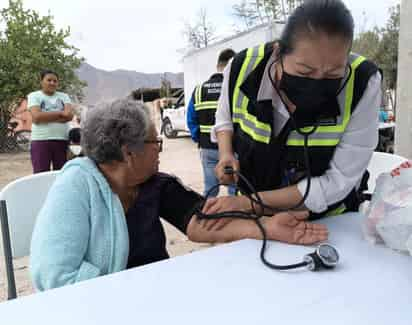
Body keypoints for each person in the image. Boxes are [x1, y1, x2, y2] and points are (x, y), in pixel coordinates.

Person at [30, 99, 328, 291]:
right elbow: (53, 275)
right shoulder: (77, 186)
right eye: (154, 142)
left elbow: (203, 220)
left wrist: (265, 226)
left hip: (156, 292)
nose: (159, 150)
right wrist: (124, 294)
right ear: (128, 152)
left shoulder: (153, 183)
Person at [208, 0, 381, 219]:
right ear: (278, 53)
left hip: (328, 222)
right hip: (253, 219)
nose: (317, 81)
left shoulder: (364, 82)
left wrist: (245, 203)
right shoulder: (241, 67)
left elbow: (338, 182)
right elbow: (224, 119)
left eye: (332, 74)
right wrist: (225, 154)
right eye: (305, 71)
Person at [187, 49, 237, 197]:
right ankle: (237, 218)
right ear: (231, 66)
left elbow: (191, 120)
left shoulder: (199, 90)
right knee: (235, 189)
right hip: (232, 148)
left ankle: (209, 217)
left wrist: (200, 139)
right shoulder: (234, 89)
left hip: (207, 148)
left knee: (210, 190)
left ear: (218, 66)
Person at [27, 70, 73, 173]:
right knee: (40, 174)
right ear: (41, 81)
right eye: (49, 80)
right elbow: (37, 117)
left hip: (62, 140)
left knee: (62, 174)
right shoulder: (34, 96)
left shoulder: (64, 96)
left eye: (55, 81)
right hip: (40, 140)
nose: (52, 83)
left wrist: (45, 117)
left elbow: (69, 115)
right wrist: (60, 114)